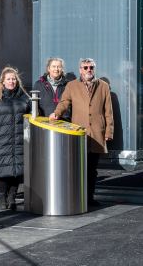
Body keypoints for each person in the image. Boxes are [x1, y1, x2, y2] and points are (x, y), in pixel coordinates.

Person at [49, 58, 114, 206]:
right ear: (80, 70)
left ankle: (89, 198)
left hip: (97, 134)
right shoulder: (72, 86)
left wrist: (109, 131)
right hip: (79, 134)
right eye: (85, 68)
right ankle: (78, 197)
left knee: (92, 169)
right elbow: (64, 102)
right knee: (78, 168)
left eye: (91, 67)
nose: (88, 70)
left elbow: (108, 111)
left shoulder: (103, 86)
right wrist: (57, 113)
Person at [0, 66, 30, 211]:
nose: (11, 81)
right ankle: (2, 198)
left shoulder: (24, 97)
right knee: (2, 172)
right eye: (8, 79)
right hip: (0, 140)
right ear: (2, 81)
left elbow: (32, 116)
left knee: (16, 171)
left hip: (19, 140)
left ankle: (12, 198)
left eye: (14, 79)